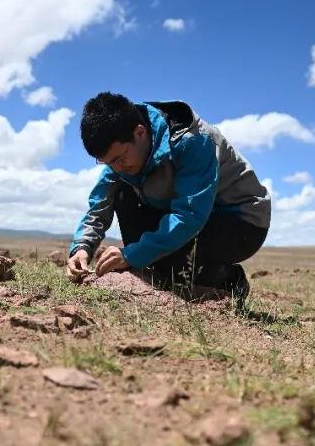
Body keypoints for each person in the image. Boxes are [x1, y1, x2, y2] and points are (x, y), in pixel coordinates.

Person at [66, 92, 270, 301]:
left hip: (241, 221)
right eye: (109, 163)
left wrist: (131, 254)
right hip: (193, 217)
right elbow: (99, 206)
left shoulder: (194, 140)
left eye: (120, 158)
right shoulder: (120, 158)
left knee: (172, 262)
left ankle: (230, 280)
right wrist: (82, 248)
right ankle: (155, 269)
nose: (116, 167)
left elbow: (190, 215)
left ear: (140, 132)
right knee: (123, 194)